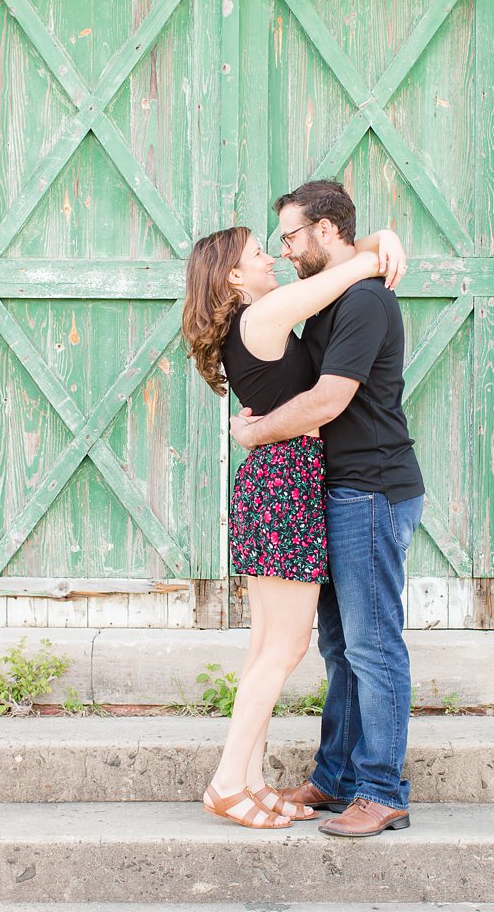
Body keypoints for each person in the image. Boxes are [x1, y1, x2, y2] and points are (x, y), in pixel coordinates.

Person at [182, 222, 405, 829]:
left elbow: (333, 267)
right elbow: (347, 272)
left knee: (265, 648)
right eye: (260, 253)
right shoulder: (262, 316)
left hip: (278, 481)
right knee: (285, 648)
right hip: (284, 482)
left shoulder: (251, 322)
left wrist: (381, 233)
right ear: (234, 276)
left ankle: (248, 780)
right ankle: (229, 783)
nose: (271, 259)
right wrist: (379, 249)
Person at [230, 180, 425, 838]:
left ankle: (381, 788)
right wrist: (379, 243)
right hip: (337, 489)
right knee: (340, 646)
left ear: (327, 231)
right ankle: (337, 776)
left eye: (291, 235)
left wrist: (256, 433)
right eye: (278, 240)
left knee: (372, 646)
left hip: (370, 488)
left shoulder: (365, 301)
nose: (284, 250)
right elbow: (356, 251)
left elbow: (327, 401)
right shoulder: (333, 294)